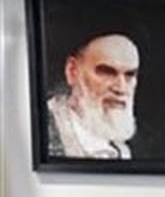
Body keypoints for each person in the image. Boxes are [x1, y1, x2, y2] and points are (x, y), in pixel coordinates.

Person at [46, 31, 139, 159]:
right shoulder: (43, 132)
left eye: (129, 75)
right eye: (107, 72)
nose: (121, 88)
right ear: (72, 71)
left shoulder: (121, 149)